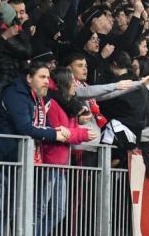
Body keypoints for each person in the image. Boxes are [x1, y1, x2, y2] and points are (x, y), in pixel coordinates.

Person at [0, 62, 70, 235]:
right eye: (42, 77)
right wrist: (54, 134)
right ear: (29, 78)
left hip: (15, 160)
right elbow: (25, 127)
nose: (47, 81)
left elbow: (41, 125)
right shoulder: (15, 94)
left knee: (9, 209)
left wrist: (55, 129)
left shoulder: (35, 97)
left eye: (48, 78)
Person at [38, 67, 98, 236]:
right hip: (50, 162)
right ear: (64, 84)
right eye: (72, 82)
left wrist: (79, 126)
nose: (75, 85)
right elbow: (60, 133)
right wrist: (83, 134)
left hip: (62, 165)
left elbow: (69, 130)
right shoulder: (54, 104)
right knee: (39, 209)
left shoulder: (67, 105)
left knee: (59, 211)